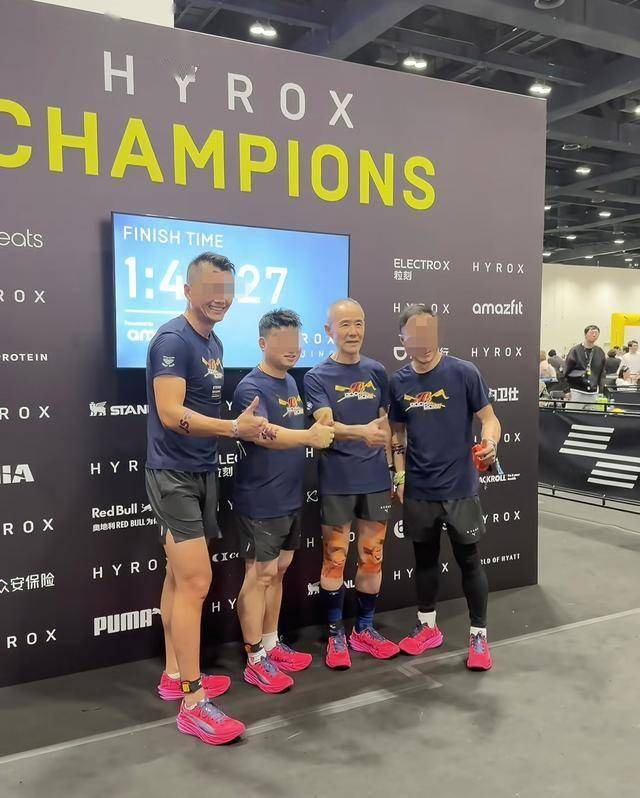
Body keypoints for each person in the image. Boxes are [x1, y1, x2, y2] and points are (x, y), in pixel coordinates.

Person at [145, 252, 268, 747]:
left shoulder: (212, 340)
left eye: (228, 290)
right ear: (188, 290)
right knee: (196, 581)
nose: (222, 298)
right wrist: (233, 428)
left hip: (200, 472)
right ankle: (193, 703)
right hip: (172, 475)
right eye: (212, 289)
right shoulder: (173, 340)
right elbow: (170, 412)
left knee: (180, 578)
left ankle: (175, 674)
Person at [388, 304, 501, 671]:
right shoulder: (398, 382)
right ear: (403, 338)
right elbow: (397, 433)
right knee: (424, 560)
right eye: (414, 334)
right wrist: (399, 475)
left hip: (459, 487)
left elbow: (490, 419)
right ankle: (427, 627)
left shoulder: (464, 372)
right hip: (419, 488)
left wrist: (490, 443)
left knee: (469, 561)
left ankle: (478, 636)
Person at [233, 309, 334, 693]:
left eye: (297, 340)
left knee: (278, 571)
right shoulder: (250, 388)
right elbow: (264, 434)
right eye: (283, 341)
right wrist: (309, 437)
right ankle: (254, 659)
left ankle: (271, 644)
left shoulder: (292, 382)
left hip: (290, 497)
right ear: (263, 343)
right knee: (259, 575)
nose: (293, 348)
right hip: (261, 500)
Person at [303, 298, 398, 669]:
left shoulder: (376, 371)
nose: (353, 331)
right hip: (338, 481)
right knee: (335, 559)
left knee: (373, 556)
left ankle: (364, 628)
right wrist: (360, 433)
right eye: (344, 325)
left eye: (358, 323)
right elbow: (324, 426)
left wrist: (394, 469)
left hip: (374, 480)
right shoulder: (316, 376)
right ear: (329, 331)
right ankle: (335, 634)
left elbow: (387, 426)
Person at [564, 325, 607, 410]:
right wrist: (566, 390)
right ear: (585, 334)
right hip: (576, 391)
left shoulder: (600, 352)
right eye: (592, 332)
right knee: (572, 415)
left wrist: (601, 391)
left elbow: (602, 373)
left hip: (593, 393)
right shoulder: (575, 350)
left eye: (596, 333)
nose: (594, 335)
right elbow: (565, 371)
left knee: (592, 417)